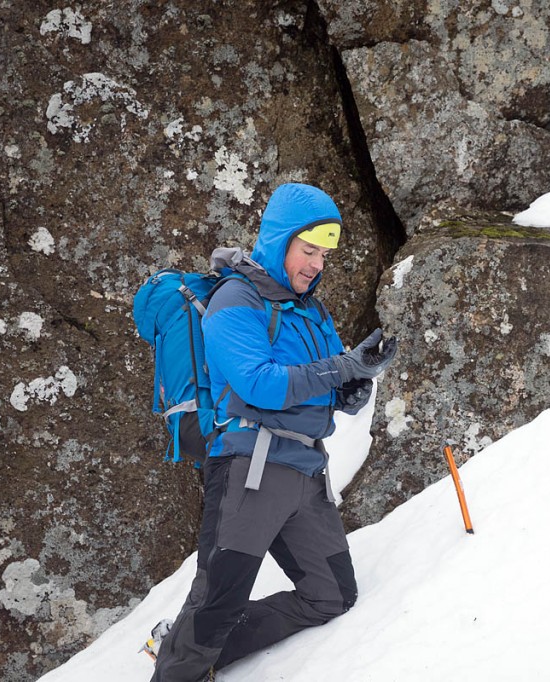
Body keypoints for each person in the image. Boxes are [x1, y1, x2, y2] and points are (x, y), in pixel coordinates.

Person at [150, 183, 397, 681]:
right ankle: (181, 665)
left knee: (331, 593)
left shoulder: (313, 312)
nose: (316, 265)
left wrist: (354, 386)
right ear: (281, 240)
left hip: (306, 475)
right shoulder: (234, 299)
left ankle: (182, 647)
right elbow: (260, 385)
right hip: (250, 471)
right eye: (309, 251)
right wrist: (342, 368)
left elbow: (330, 381)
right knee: (217, 599)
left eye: (324, 255)